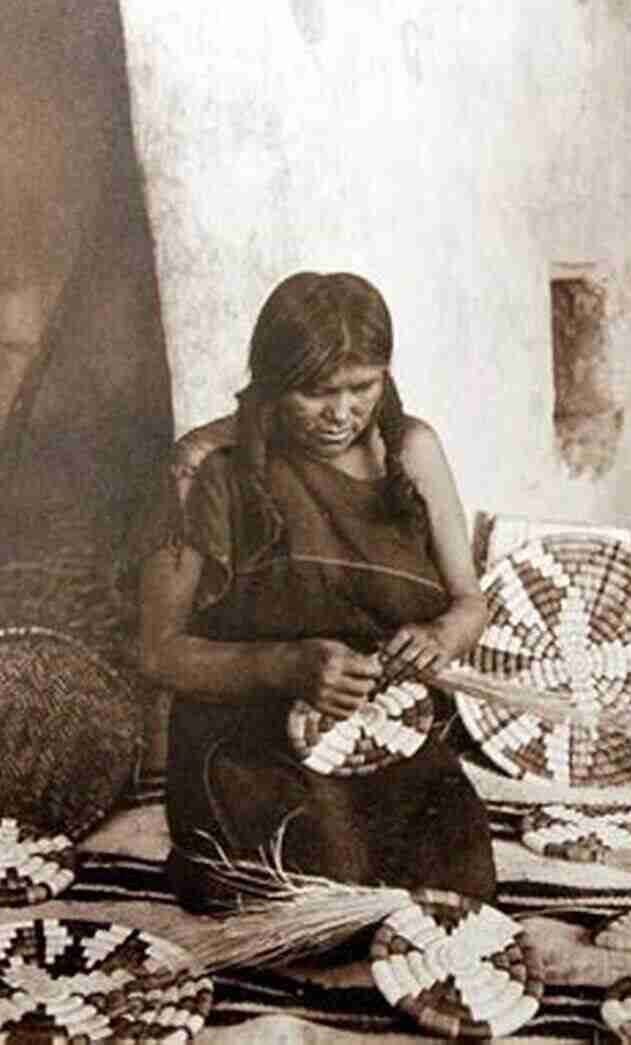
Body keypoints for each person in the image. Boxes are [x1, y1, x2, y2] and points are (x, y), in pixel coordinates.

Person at [134, 271, 496, 912]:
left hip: (380, 730)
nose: (342, 413)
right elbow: (158, 653)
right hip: (247, 732)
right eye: (315, 392)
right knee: (324, 881)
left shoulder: (410, 451)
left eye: (364, 387)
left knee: (456, 882)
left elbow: (470, 603)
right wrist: (285, 664)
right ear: (271, 382)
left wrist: (440, 636)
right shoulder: (205, 466)